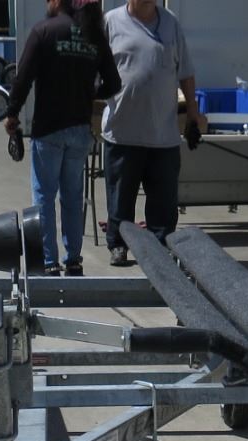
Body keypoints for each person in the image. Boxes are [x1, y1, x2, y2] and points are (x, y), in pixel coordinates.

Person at [3, 0, 120, 277]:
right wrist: (89, 93)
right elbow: (114, 83)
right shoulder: (93, 35)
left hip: (48, 129)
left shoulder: (44, 31)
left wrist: (12, 113)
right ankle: (74, 260)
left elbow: (23, 77)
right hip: (80, 130)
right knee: (72, 196)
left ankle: (49, 262)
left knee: (44, 196)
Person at [99, 0, 207, 267]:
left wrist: (192, 112)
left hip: (163, 136)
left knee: (164, 203)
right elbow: (92, 69)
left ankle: (162, 248)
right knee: (120, 199)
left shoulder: (171, 24)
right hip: (122, 133)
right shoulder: (111, 22)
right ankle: (118, 245)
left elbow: (186, 73)